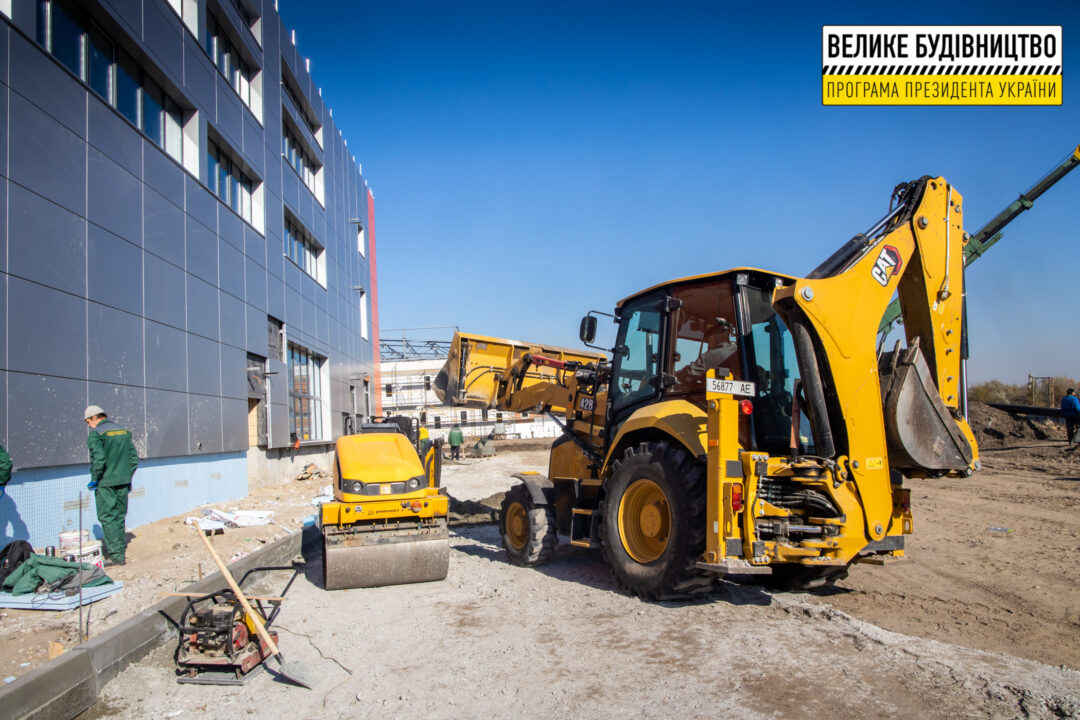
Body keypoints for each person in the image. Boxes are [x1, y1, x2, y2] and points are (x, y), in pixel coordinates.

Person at [84, 405, 138, 567]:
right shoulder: (123, 432)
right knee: (120, 516)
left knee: (107, 517)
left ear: (95, 418)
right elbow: (133, 459)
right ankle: (120, 550)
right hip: (123, 481)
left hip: (105, 482)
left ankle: (116, 555)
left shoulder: (96, 434)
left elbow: (99, 459)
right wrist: (126, 477)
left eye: (88, 422)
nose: (88, 426)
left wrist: (95, 478)